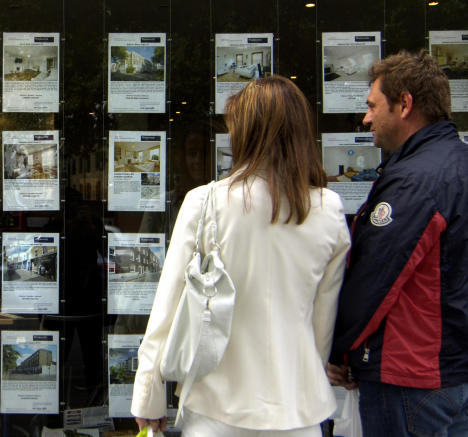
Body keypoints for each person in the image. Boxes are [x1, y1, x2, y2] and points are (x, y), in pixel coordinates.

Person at [132, 76, 351, 436]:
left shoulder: (205, 203)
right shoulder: (329, 209)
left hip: (214, 406)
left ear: (246, 133)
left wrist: (149, 395)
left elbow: (167, 309)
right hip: (297, 409)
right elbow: (320, 330)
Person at [328, 50, 468, 436]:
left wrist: (339, 351)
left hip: (413, 376)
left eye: (374, 106)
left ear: (405, 104)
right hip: (461, 371)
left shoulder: (416, 180)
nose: (366, 117)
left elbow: (377, 277)